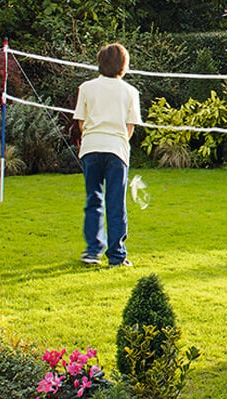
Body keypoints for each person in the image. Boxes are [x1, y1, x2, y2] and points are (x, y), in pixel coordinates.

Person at [73, 43, 141, 267]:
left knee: (93, 200)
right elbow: (129, 128)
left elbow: (82, 123)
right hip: (117, 151)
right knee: (116, 203)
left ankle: (92, 252)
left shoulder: (86, 87)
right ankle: (117, 256)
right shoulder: (130, 91)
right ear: (124, 65)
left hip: (90, 148)